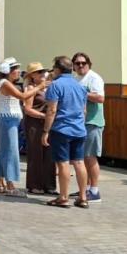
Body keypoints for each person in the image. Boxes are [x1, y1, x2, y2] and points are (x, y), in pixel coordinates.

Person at [43, 56, 90, 208]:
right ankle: (83, 197)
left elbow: (52, 110)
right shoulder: (80, 86)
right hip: (79, 129)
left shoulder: (55, 85)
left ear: (57, 69)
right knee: (79, 162)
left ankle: (63, 197)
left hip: (62, 129)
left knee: (63, 163)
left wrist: (46, 131)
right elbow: (84, 110)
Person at [0, 58, 44, 197]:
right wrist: (40, 87)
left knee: (4, 152)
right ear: (7, 71)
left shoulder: (5, 83)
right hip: (8, 120)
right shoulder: (5, 83)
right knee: (11, 152)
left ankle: (0, 183)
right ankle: (11, 186)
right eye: (15, 69)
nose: (18, 72)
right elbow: (22, 96)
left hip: (7, 121)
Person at [73, 52, 105, 203]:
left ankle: (95, 190)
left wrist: (83, 93)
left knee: (90, 157)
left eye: (83, 63)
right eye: (77, 63)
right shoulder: (76, 79)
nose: (80, 66)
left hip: (93, 122)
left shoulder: (94, 78)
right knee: (83, 157)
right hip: (80, 122)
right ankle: (84, 189)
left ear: (88, 64)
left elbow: (100, 98)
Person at [23, 63, 56, 195]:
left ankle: (49, 185)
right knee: (36, 154)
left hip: (47, 123)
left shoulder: (49, 87)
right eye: (39, 72)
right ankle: (34, 185)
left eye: (43, 71)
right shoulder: (31, 88)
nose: (43, 74)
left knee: (49, 154)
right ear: (32, 75)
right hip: (34, 124)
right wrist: (44, 115)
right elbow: (27, 109)